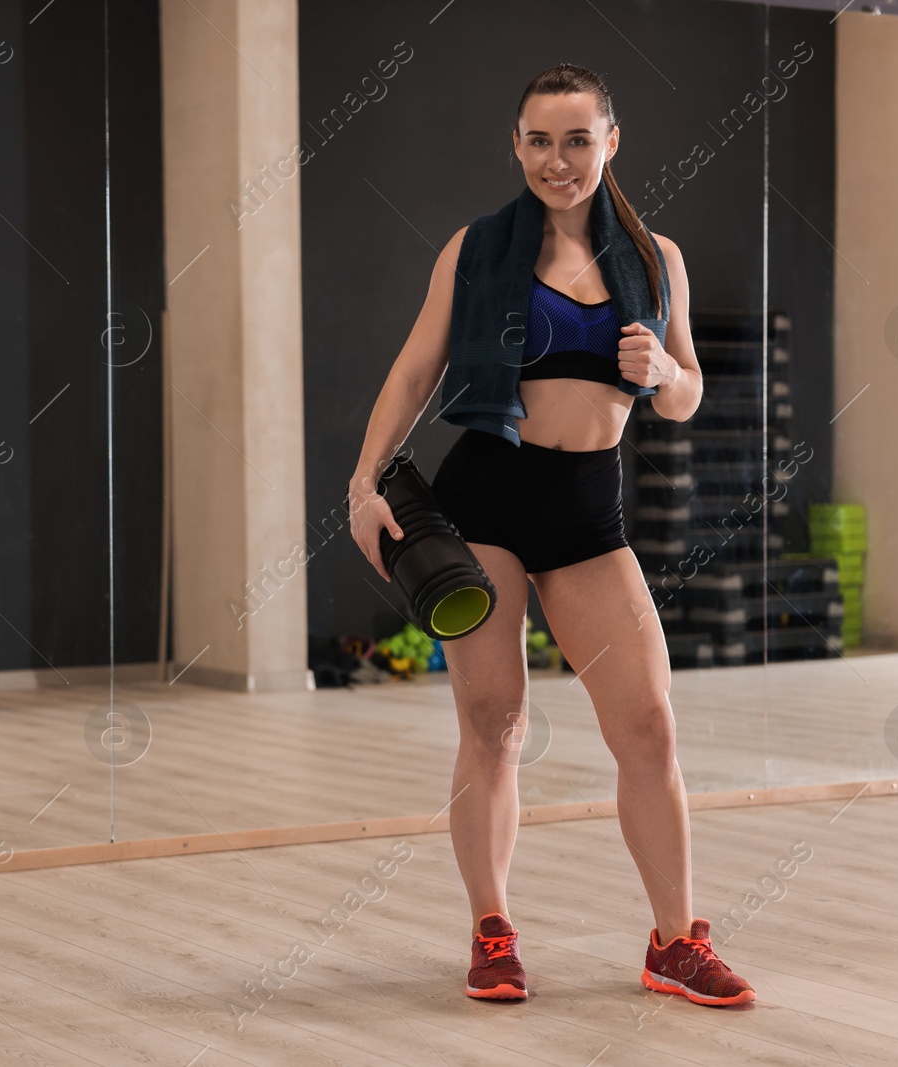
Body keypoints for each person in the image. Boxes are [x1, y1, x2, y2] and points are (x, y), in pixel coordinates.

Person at [348, 65, 755, 1007]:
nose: (557, 160)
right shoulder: (476, 248)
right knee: (494, 724)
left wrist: (661, 371)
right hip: (483, 498)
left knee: (648, 725)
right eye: (539, 140)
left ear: (612, 142)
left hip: (585, 509)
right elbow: (416, 370)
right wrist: (365, 483)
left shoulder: (656, 261)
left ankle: (673, 941)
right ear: (516, 145)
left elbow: (689, 395)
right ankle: (492, 930)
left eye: (577, 139)